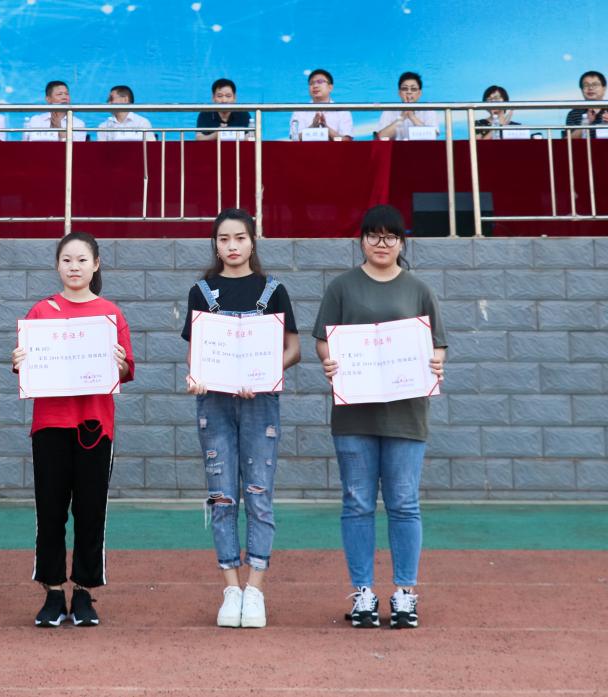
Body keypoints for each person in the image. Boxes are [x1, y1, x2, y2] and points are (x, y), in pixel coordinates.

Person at [312, 205, 447, 630]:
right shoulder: (341, 287)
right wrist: (329, 361)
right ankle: (363, 593)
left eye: (390, 236)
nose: (382, 243)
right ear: (362, 240)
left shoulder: (419, 290)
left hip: (406, 415)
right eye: (373, 235)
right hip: (354, 414)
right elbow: (323, 340)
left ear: (402, 242)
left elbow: (437, 345)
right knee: (357, 503)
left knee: (404, 503)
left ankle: (405, 592)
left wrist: (436, 363)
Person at [181, 208, 301, 628]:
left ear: (253, 241)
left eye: (240, 238)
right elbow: (195, 353)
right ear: (215, 245)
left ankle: (255, 590)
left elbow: (293, 349)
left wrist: (264, 372)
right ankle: (231, 588)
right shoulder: (201, 292)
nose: (232, 246)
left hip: (259, 401)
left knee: (259, 495)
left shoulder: (273, 290)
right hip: (213, 403)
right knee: (221, 497)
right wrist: (196, 375)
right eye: (223, 239)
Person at [10, 232, 135, 627]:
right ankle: (52, 591)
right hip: (50, 424)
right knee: (50, 509)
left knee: (90, 509)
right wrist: (20, 361)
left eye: (82, 260)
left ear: (96, 264)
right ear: (57, 266)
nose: (74, 267)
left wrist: (119, 364)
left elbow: (126, 369)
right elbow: (25, 367)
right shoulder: (41, 312)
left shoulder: (110, 314)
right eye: (67, 260)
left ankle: (83, 591)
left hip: (95, 425)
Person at [290, 69, 354, 141]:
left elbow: (346, 141)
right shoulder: (299, 111)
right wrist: (312, 127)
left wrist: (327, 129)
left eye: (320, 82)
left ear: (330, 87)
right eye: (311, 83)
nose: (315, 86)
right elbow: (294, 140)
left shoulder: (342, 111)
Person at [376, 72, 439, 140]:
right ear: (399, 93)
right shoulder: (389, 111)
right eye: (405, 89)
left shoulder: (428, 110)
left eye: (413, 89)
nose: (409, 92)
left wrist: (412, 116)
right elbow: (380, 137)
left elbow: (433, 136)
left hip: (421, 147)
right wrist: (402, 117)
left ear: (419, 93)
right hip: (396, 147)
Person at [565, 70, 607, 139]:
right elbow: (567, 141)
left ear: (604, 88)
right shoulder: (574, 114)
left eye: (595, 84)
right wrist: (585, 123)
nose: (590, 88)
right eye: (586, 85)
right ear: (581, 89)